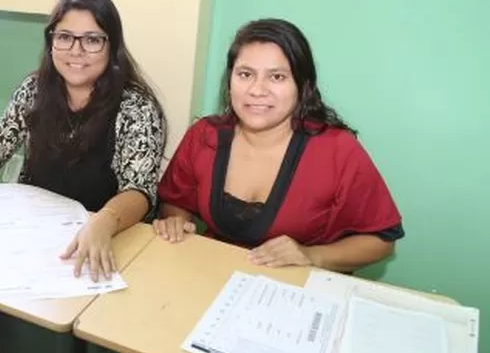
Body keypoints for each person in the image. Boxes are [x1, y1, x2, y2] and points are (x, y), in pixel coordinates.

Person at [0, 0, 167, 282]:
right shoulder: (34, 90)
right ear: (51, 42)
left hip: (106, 239)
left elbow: (140, 191)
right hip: (35, 236)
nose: (76, 51)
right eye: (64, 37)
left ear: (112, 47)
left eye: (92, 40)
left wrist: (105, 220)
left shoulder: (136, 107)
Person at [154, 18, 403, 272]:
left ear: (302, 86)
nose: (257, 90)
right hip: (213, 276)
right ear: (230, 81)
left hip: (297, 290)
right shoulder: (205, 135)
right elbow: (176, 201)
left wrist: (311, 255)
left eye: (277, 77)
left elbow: (382, 240)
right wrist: (177, 221)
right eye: (245, 74)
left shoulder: (337, 150)